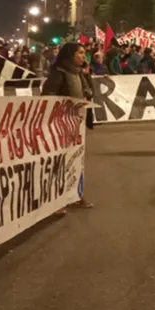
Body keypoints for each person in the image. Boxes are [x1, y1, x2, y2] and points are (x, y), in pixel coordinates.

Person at [41, 43, 95, 208]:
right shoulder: (58, 73)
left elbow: (88, 92)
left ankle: (76, 194)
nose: (83, 56)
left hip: (76, 123)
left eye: (84, 53)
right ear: (70, 55)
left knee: (76, 161)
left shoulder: (79, 73)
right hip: (60, 124)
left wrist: (87, 87)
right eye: (80, 53)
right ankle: (57, 201)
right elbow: (48, 97)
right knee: (60, 162)